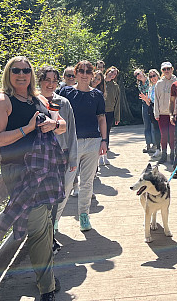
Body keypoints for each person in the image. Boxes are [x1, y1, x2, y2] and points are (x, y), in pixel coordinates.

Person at [0, 56, 65, 301]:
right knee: (39, 225)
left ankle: (48, 277)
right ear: (8, 74)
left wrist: (53, 125)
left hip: (46, 166)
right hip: (20, 170)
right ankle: (47, 289)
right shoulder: (2, 101)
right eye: (15, 70)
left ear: (31, 74)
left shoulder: (38, 99)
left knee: (42, 223)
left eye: (26, 70)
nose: (21, 74)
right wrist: (28, 128)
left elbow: (61, 123)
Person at [58, 61, 108, 232]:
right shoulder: (66, 92)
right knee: (67, 182)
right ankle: (55, 219)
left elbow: (101, 118)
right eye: (81, 71)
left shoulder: (97, 95)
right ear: (76, 73)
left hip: (92, 142)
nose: (84, 74)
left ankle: (84, 216)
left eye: (88, 71)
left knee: (87, 182)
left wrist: (104, 140)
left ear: (93, 74)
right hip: (72, 143)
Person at [36, 65, 78, 255]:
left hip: (60, 155)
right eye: (47, 80)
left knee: (55, 199)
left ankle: (51, 236)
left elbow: (70, 131)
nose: (51, 84)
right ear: (40, 81)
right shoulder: (33, 101)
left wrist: (73, 158)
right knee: (40, 200)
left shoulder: (64, 103)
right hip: (39, 158)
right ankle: (42, 238)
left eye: (54, 80)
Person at [153, 61, 177, 163]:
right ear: (162, 71)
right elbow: (156, 99)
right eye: (164, 69)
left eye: (168, 69)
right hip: (162, 113)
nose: (166, 71)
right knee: (163, 135)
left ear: (172, 69)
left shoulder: (176, 82)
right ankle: (163, 154)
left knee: (172, 135)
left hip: (173, 113)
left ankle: (172, 154)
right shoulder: (159, 84)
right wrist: (156, 113)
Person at [103, 66, 121, 164]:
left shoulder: (115, 86)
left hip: (110, 112)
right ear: (107, 71)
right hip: (99, 112)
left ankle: (105, 155)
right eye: (111, 72)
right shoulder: (100, 82)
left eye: (114, 74)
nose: (112, 74)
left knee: (106, 133)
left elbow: (117, 102)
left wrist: (117, 117)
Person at [135, 68, 155, 153]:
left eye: (138, 73)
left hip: (152, 103)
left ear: (142, 72)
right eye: (136, 75)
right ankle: (148, 145)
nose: (138, 76)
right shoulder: (139, 85)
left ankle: (155, 145)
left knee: (153, 124)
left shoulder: (149, 80)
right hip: (144, 104)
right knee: (146, 124)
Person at [147, 68, 162, 157]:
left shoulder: (161, 85)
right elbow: (149, 101)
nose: (153, 78)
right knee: (156, 130)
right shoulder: (150, 88)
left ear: (157, 75)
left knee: (164, 130)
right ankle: (158, 149)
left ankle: (166, 149)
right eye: (151, 76)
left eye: (154, 75)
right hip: (153, 110)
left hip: (162, 109)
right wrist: (146, 100)